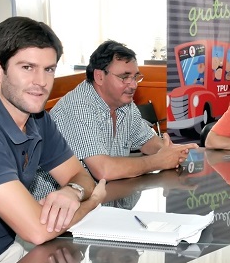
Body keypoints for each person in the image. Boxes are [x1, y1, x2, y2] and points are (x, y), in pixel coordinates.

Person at [0, 16, 105, 263]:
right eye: (27, 67)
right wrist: (93, 201)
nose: (41, 82)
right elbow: (36, 230)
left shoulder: (38, 118)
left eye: (49, 69)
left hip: (10, 253)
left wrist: (72, 192)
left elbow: (80, 176)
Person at [30, 40, 197, 199]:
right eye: (125, 77)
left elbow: (148, 142)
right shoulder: (78, 106)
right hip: (56, 209)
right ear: (99, 76)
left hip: (106, 198)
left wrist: (172, 152)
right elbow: (103, 170)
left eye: (135, 77)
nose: (133, 85)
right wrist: (158, 161)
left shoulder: (124, 104)